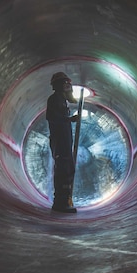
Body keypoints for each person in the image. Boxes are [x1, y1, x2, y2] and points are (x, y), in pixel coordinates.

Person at [46, 72, 79, 213]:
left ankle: (65, 200)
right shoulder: (54, 99)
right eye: (67, 85)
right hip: (60, 142)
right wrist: (69, 120)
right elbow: (52, 117)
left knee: (67, 169)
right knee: (62, 170)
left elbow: (73, 101)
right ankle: (60, 202)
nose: (69, 88)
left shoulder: (61, 100)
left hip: (64, 142)